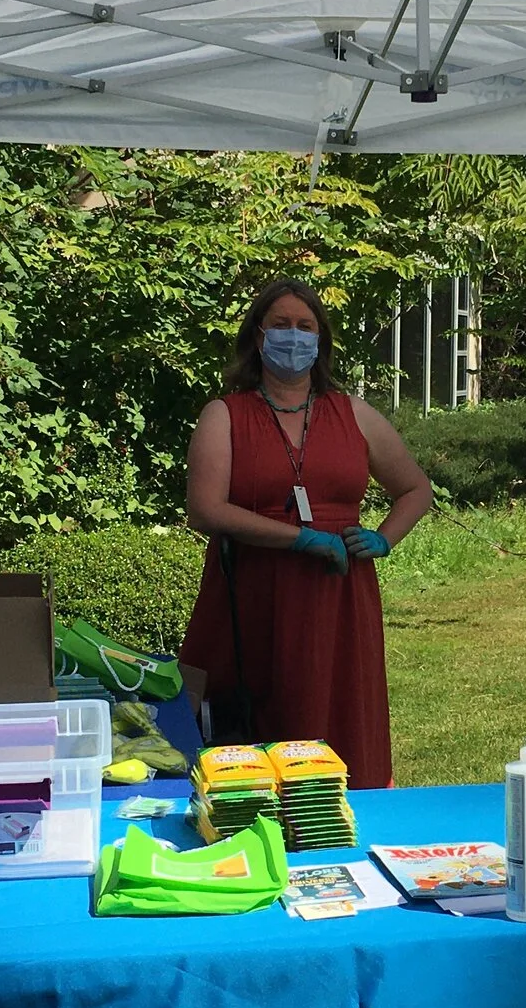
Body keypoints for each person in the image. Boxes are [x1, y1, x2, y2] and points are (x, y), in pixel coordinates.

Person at [179, 278, 434, 787]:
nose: (293, 337)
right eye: (280, 325)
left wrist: (384, 537)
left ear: (320, 341)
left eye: (305, 326)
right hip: (254, 590)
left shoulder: (354, 413)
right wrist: (297, 538)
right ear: (257, 336)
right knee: (255, 721)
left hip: (339, 595)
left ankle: (344, 815)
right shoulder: (225, 415)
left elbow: (416, 490)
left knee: (339, 707)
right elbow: (204, 509)